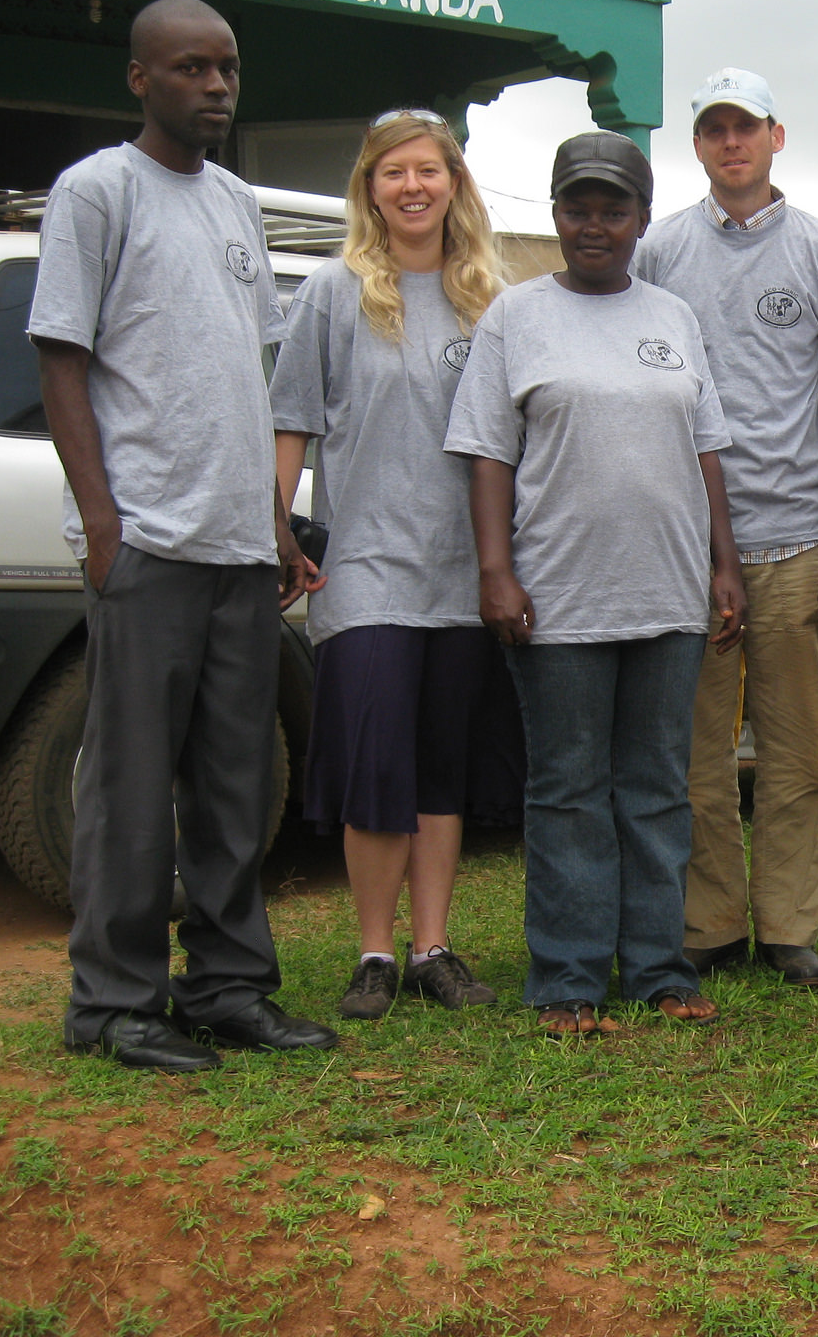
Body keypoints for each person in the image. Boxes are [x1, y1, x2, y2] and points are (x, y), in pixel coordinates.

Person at [30, 0, 335, 1071]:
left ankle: (227, 987)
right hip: (149, 541)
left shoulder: (237, 204)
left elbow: (241, 381)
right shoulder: (97, 191)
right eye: (192, 68)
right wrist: (104, 525)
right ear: (141, 79)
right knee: (128, 782)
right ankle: (112, 1003)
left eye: (229, 69)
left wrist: (273, 526)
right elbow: (60, 357)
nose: (215, 86)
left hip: (237, 550)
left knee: (235, 779)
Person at [446, 131, 744, 1036]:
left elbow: (706, 450)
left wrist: (724, 565)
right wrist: (495, 571)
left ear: (641, 218)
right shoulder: (515, 316)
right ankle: (569, 977)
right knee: (569, 789)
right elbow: (489, 455)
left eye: (613, 208)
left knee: (657, 785)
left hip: (667, 595)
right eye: (578, 206)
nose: (594, 224)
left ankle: (657, 967)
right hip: (559, 599)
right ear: (556, 211)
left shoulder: (672, 317)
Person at [270, 110, 511, 1021]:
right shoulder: (334, 293)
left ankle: (431, 948)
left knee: (440, 767)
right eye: (393, 173)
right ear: (369, 188)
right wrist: (279, 527)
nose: (413, 187)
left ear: (456, 183)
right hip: (365, 568)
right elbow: (292, 418)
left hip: (464, 573)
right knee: (377, 765)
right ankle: (373, 949)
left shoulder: (491, 298)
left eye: (429, 171)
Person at [630, 69, 818, 990]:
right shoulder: (658, 251)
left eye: (747, 127)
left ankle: (790, 927)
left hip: (796, 535)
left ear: (777, 136)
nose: (732, 142)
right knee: (694, 750)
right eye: (715, 129)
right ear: (698, 144)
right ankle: (709, 921)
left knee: (801, 746)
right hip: (686, 541)